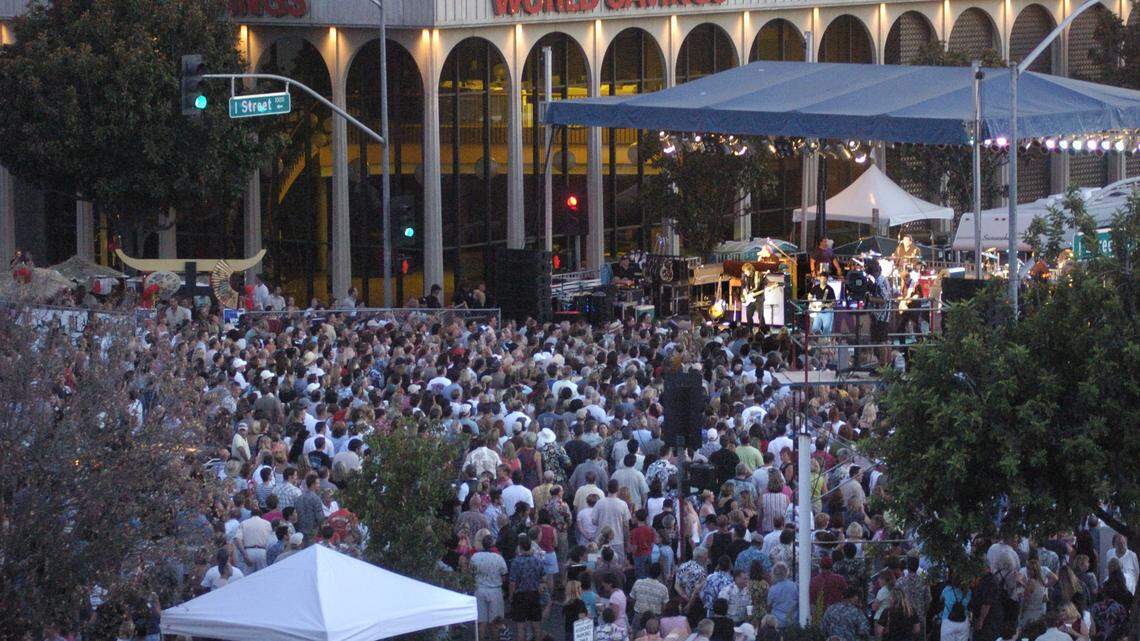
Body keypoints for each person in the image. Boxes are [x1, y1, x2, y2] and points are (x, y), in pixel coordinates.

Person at [472, 534, 509, 641]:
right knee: (495, 622)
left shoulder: (475, 557)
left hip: (479, 589)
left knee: (481, 622)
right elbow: (504, 575)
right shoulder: (498, 558)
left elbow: (471, 573)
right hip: (495, 590)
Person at [509, 535, 545, 641]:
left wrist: (511, 596)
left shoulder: (516, 562)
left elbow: (512, 582)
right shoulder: (537, 560)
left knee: (521, 628)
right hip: (534, 594)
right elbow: (544, 577)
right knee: (536, 626)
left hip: (520, 596)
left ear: (519, 547)